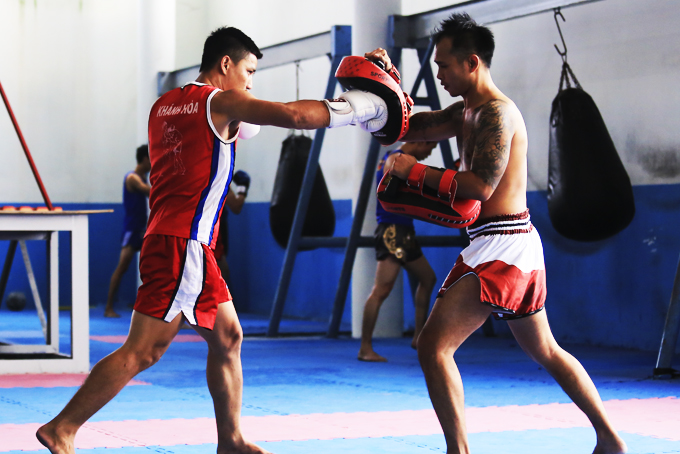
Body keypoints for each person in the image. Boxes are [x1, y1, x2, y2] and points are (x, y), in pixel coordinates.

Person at [36, 26, 388, 454]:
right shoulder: (218, 101)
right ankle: (63, 428)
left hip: (174, 240)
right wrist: (364, 105)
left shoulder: (164, 105)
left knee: (228, 336)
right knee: (143, 351)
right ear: (226, 64)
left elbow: (212, 139)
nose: (250, 82)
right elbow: (296, 117)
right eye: (249, 71)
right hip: (185, 243)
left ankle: (231, 440)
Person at [366, 13, 628, 454]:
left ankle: (459, 450)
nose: (439, 74)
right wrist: (382, 84)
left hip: (504, 247)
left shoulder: (496, 114)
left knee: (433, 346)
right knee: (546, 350)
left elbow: (480, 186)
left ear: (472, 63)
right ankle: (610, 437)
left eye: (445, 66)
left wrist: (417, 170)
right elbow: (411, 126)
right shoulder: (464, 111)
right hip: (499, 243)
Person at [358, 141, 438, 362]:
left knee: (428, 278)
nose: (429, 153)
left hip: (404, 230)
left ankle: (418, 337)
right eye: (429, 147)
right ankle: (365, 348)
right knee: (381, 290)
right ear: (419, 140)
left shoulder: (393, 158)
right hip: (393, 232)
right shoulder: (396, 160)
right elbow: (393, 192)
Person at [104, 145, 151, 318]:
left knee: (154, 268)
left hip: (143, 229)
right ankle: (108, 307)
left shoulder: (144, 177)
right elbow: (149, 192)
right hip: (132, 229)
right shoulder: (132, 178)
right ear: (145, 159)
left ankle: (146, 305)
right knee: (122, 268)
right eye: (151, 158)